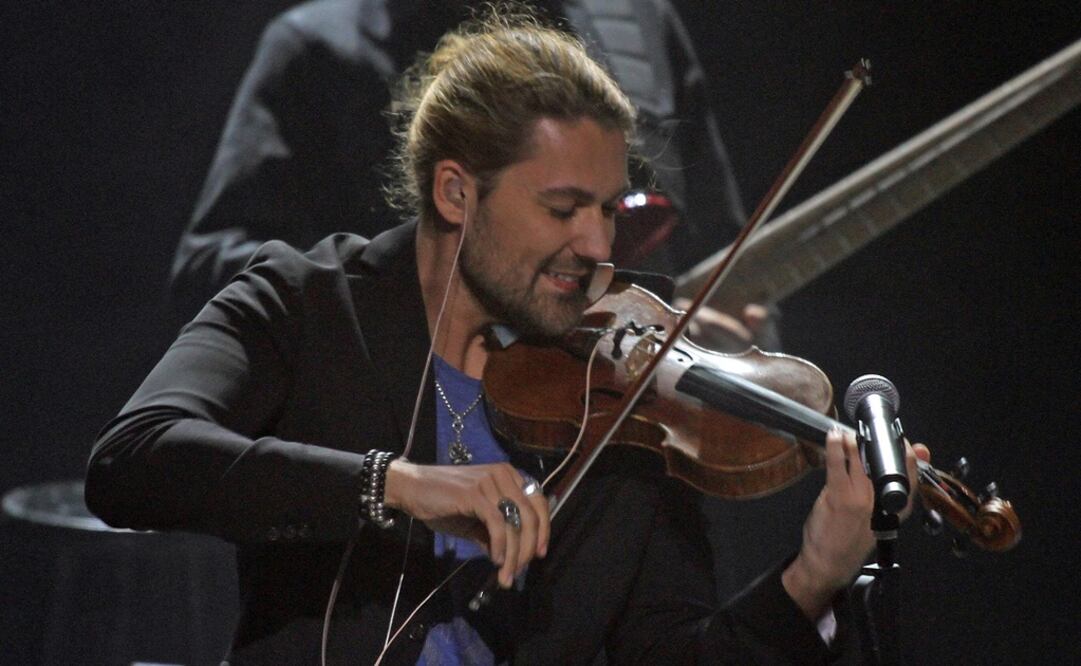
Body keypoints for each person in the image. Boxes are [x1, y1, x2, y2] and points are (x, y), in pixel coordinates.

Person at [88, 12, 925, 664]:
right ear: (456, 192)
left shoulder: (622, 393)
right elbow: (136, 461)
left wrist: (812, 577)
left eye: (606, 210)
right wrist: (399, 487)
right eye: (562, 210)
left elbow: (672, 654)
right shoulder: (303, 305)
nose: (597, 247)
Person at [168, 0, 769, 347]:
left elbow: (721, 248)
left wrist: (732, 350)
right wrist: (410, 295)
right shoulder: (318, 50)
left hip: (630, 455)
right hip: (404, 453)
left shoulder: (640, 25)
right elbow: (209, 270)